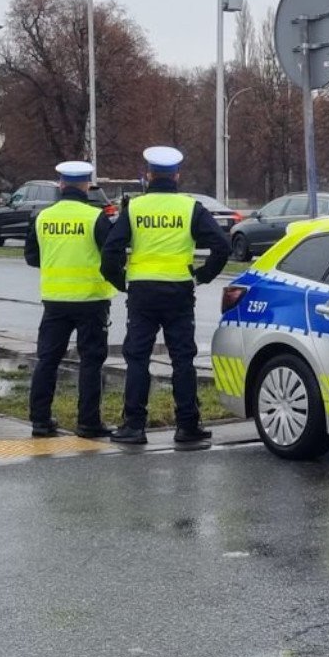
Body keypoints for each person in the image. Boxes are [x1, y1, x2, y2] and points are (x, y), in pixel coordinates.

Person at [100, 146, 232, 446]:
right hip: (179, 292)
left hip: (142, 293)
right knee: (182, 359)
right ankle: (187, 426)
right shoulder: (190, 208)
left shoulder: (133, 208)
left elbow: (110, 251)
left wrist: (122, 282)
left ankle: (134, 426)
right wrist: (202, 275)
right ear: (177, 176)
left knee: (137, 358)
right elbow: (222, 246)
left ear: (148, 175)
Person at [24, 161, 116, 438]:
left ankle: (40, 421)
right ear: (87, 185)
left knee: (47, 360)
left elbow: (31, 257)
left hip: (54, 300)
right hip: (91, 300)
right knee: (90, 361)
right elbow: (111, 254)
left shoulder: (43, 217)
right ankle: (88, 423)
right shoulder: (95, 217)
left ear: (61, 185)